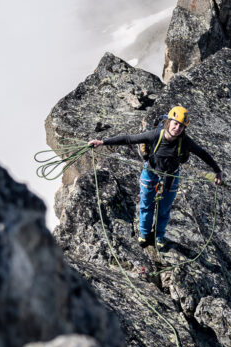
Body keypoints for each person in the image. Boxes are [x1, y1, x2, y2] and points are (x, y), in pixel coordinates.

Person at [89, 106, 222, 250]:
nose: (177, 128)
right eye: (175, 123)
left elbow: (202, 153)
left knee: (164, 209)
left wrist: (217, 171)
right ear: (169, 122)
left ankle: (159, 236)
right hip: (151, 172)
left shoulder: (185, 141)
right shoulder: (155, 135)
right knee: (146, 205)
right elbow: (128, 138)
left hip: (170, 176)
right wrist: (102, 142)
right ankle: (145, 233)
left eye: (181, 126)